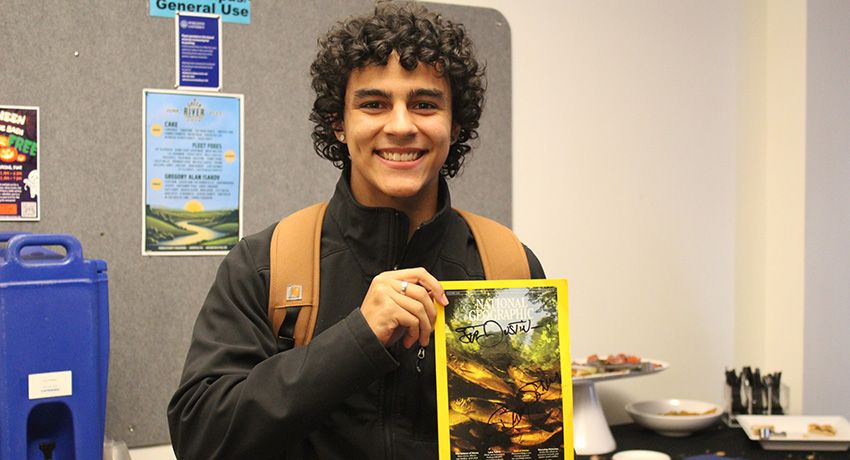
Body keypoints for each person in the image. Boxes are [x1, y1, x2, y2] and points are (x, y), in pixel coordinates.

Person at [167, 3, 545, 459]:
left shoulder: (506, 265)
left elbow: (529, 438)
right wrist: (359, 338)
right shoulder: (265, 265)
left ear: (455, 125)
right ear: (339, 124)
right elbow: (201, 439)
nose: (401, 126)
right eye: (373, 104)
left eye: (425, 104)